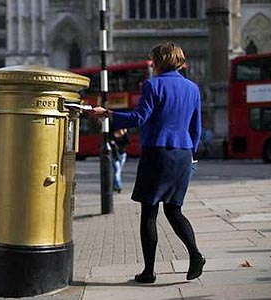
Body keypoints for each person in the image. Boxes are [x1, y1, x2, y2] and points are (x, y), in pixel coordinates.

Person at [91, 42, 204, 283]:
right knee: (174, 211)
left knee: (149, 212)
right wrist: (191, 157)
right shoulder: (193, 88)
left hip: (157, 153)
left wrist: (109, 114)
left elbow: (139, 117)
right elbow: (196, 129)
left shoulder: (153, 85)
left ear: (159, 61)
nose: (151, 64)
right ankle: (195, 254)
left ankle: (149, 271)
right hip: (183, 154)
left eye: (153, 60)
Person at [110, 128, 130, 193]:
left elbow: (128, 142)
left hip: (122, 155)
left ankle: (114, 186)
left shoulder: (124, 136)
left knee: (117, 171)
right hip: (114, 156)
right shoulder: (113, 135)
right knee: (117, 171)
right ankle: (119, 187)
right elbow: (109, 143)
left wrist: (125, 133)